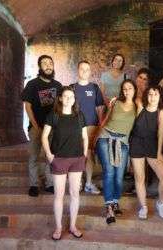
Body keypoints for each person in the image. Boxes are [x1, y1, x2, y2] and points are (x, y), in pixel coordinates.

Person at [41, 86, 88, 241]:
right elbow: (44, 136)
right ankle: (58, 227)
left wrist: (85, 154)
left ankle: (73, 226)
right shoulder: (54, 115)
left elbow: (85, 137)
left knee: (75, 194)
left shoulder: (79, 115)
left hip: (76, 159)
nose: (69, 99)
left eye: (72, 97)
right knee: (59, 195)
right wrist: (49, 155)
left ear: (75, 99)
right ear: (60, 98)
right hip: (59, 159)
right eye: (66, 96)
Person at [95, 79, 137, 224]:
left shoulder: (137, 106)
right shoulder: (116, 102)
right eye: (124, 89)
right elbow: (104, 121)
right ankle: (109, 208)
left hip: (123, 142)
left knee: (119, 175)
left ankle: (115, 201)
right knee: (109, 172)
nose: (127, 91)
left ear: (134, 89)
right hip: (106, 137)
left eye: (130, 88)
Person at [21, 55, 62, 197]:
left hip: (52, 129)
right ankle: (34, 184)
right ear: (40, 67)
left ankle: (49, 183)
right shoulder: (32, 84)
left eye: (50, 63)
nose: (48, 66)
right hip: (36, 127)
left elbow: (60, 107)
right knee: (34, 156)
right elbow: (27, 106)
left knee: (49, 156)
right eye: (45, 63)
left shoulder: (58, 85)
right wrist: (36, 126)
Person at [129, 86, 163, 219]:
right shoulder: (140, 107)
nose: (152, 97)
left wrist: (158, 153)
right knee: (139, 178)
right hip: (136, 143)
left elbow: (161, 134)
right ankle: (143, 206)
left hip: (152, 144)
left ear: (160, 96)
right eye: (150, 94)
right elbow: (129, 96)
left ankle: (161, 202)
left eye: (156, 94)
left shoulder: (161, 112)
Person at [71, 60, 105, 195]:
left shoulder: (94, 88)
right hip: (75, 126)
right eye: (82, 69)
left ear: (90, 72)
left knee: (89, 154)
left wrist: (100, 125)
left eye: (87, 69)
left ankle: (89, 183)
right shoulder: (71, 87)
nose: (84, 71)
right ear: (77, 71)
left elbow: (100, 107)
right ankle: (77, 182)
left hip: (91, 125)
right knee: (77, 154)